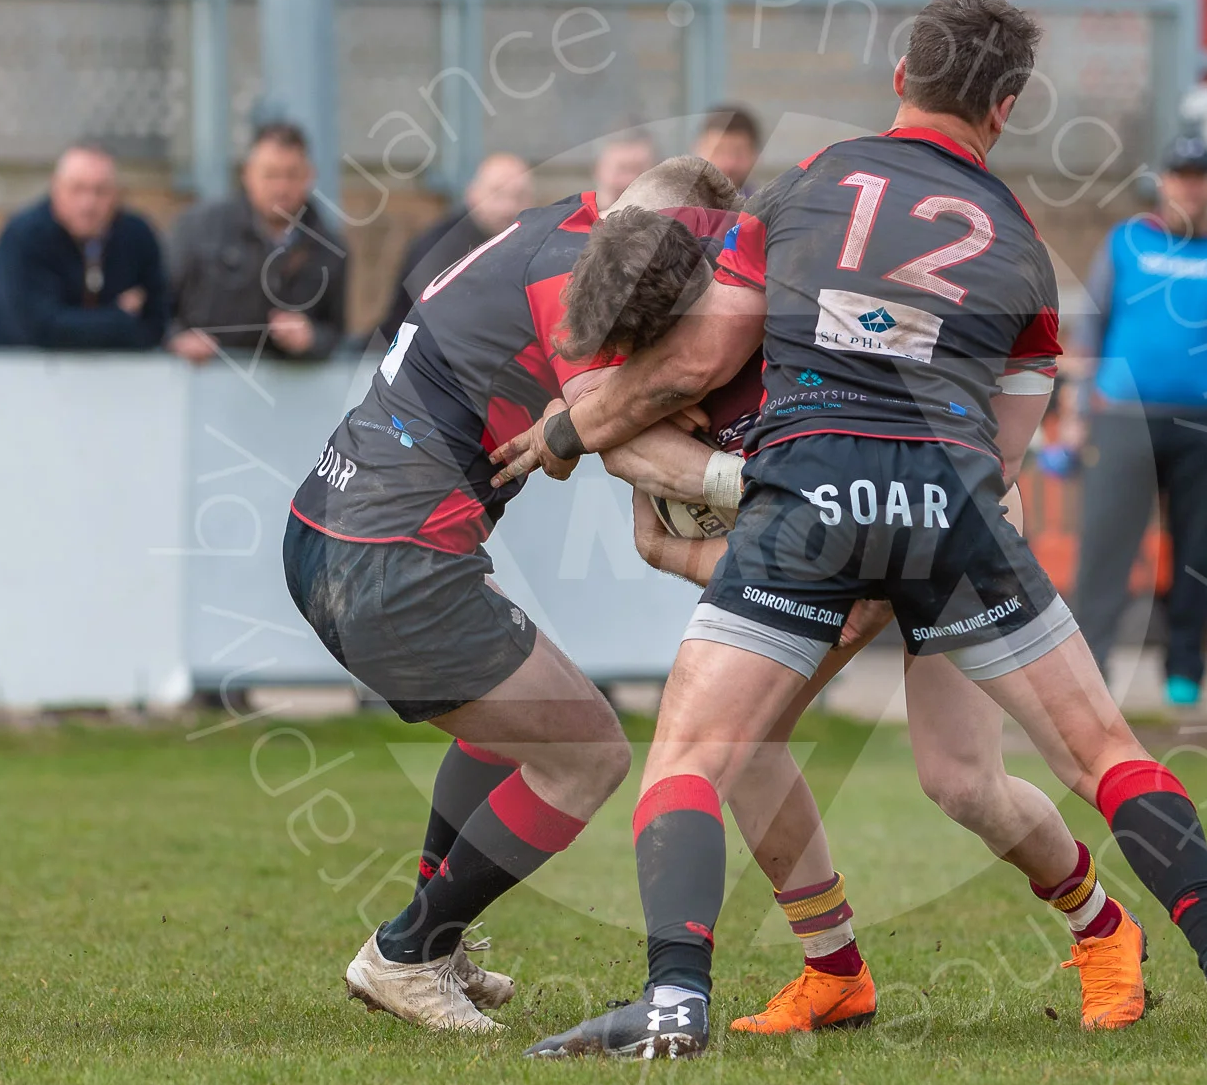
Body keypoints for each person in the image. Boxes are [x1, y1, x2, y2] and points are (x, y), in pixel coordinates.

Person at [497, 0, 1207, 1058]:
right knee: (1088, 751)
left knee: (882, 772)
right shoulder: (1026, 247)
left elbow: (692, 376)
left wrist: (574, 431)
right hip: (948, 505)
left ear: (901, 77)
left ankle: (687, 999)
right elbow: (1005, 451)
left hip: (819, 504)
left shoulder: (801, 195)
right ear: (1007, 105)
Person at [281, 156, 895, 1037]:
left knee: (511, 721)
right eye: (700, 270)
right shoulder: (575, 266)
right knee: (588, 750)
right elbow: (621, 434)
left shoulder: (556, 231)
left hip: (333, 526)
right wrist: (768, 489)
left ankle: (434, 943)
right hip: (389, 557)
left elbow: (607, 432)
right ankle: (408, 950)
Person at [569, 240, 1148, 1034]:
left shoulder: (781, 338)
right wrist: (707, 553)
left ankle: (1104, 926)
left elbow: (883, 484)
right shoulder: (644, 390)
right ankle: (835, 971)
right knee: (742, 746)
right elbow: (686, 549)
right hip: (831, 563)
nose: (650, 372)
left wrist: (833, 588)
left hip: (945, 528)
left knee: (962, 782)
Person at [1064, 133, 1207, 706]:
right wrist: (1081, 406)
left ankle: (1185, 671)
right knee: (1106, 546)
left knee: (1194, 552)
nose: (1190, 186)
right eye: (1180, 175)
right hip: (1123, 417)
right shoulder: (1127, 242)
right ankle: (1092, 668)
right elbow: (1091, 323)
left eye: (1200, 176)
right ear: (1165, 182)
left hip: (1203, 424)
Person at [168, 122, 347, 363]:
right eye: (270, 175)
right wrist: (179, 338)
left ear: (309, 176)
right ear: (247, 175)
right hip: (203, 383)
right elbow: (162, 309)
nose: (281, 187)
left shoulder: (329, 248)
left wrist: (311, 339)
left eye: (292, 175)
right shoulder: (199, 230)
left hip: (289, 392)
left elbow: (336, 331)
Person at [0, 143, 167, 350]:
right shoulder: (25, 235)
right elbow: (34, 328)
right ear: (55, 188)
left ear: (117, 194)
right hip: (24, 374)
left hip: (119, 375)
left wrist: (79, 324)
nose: (88, 203)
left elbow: (156, 323)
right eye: (77, 189)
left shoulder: (136, 236)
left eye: (100, 191)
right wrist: (119, 317)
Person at [376, 153, 533, 336]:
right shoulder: (439, 246)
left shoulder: (533, 244)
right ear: (472, 194)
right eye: (497, 194)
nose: (508, 207)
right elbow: (439, 319)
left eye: (519, 196)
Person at [690, 105, 762, 195]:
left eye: (739, 153)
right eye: (718, 151)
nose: (729, 163)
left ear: (755, 156)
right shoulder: (673, 204)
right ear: (698, 150)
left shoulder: (766, 206)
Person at [592, 128, 658, 211]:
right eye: (622, 170)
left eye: (639, 172)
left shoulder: (669, 220)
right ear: (599, 170)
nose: (629, 180)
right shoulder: (576, 219)